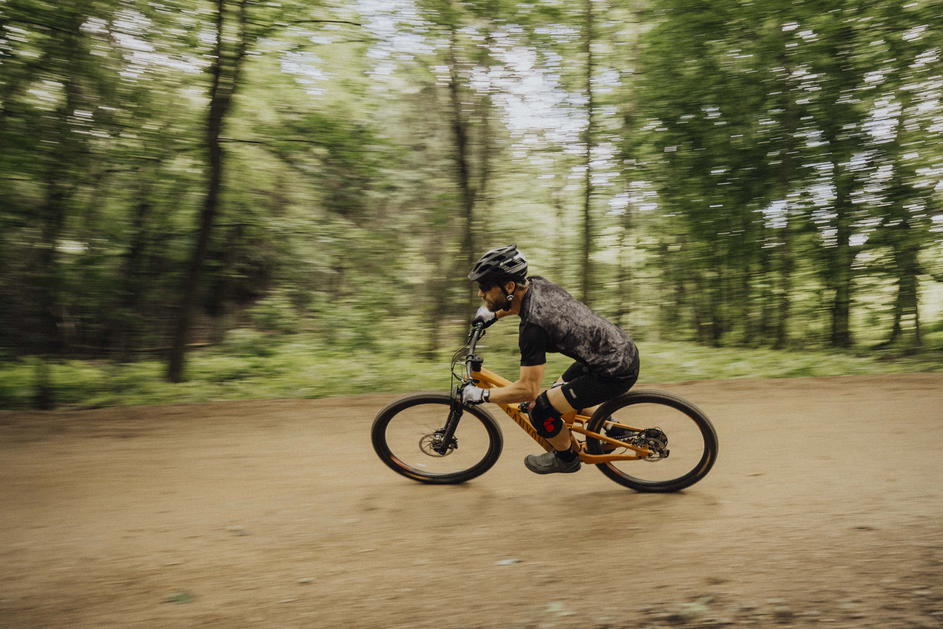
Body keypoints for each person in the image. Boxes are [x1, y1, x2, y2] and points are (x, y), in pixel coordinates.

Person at [460, 244, 640, 474]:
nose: (480, 294)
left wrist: (482, 395)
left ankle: (566, 457)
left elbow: (527, 389)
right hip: (618, 349)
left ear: (510, 286)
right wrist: (493, 315)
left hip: (614, 372)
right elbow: (518, 304)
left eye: (485, 287)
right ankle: (615, 428)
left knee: (540, 409)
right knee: (559, 391)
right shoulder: (537, 284)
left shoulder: (533, 328)